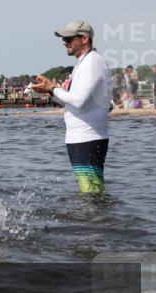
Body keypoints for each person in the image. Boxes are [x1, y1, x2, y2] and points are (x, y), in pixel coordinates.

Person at [31, 21, 111, 193]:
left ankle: (98, 212)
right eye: (63, 39)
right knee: (89, 192)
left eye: (68, 39)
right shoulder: (83, 63)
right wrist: (50, 90)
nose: (64, 43)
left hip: (88, 138)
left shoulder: (93, 62)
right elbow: (70, 101)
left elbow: (79, 101)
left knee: (92, 193)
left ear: (84, 39)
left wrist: (53, 88)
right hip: (80, 138)